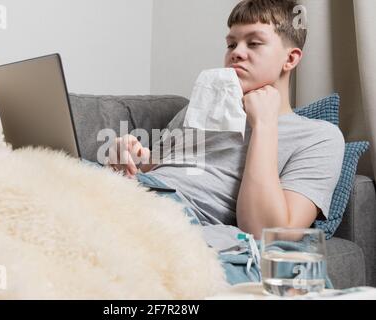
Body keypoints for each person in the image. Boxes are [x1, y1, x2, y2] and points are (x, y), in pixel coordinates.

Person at [107, 0, 345, 241]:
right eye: (231, 44)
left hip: (170, 213)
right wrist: (130, 157)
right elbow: (156, 168)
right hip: (128, 190)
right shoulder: (200, 108)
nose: (236, 53)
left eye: (254, 43)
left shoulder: (319, 137)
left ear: (290, 59)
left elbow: (270, 234)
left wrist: (264, 125)